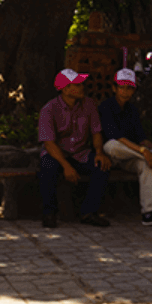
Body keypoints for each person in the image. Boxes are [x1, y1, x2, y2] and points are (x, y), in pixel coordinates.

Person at [99, 68, 152, 226]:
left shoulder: (132, 110)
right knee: (112, 145)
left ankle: (150, 212)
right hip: (112, 155)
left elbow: (141, 138)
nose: (125, 91)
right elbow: (117, 137)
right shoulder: (106, 107)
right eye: (122, 87)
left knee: (145, 165)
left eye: (129, 88)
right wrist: (144, 152)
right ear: (114, 88)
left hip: (131, 156)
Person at [38, 68, 112, 228]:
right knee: (47, 168)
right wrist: (66, 166)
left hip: (81, 152)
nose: (81, 87)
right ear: (65, 89)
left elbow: (96, 132)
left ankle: (89, 212)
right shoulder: (49, 109)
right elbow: (49, 143)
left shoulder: (89, 105)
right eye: (77, 85)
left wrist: (99, 152)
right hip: (58, 154)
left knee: (102, 166)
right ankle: (49, 213)